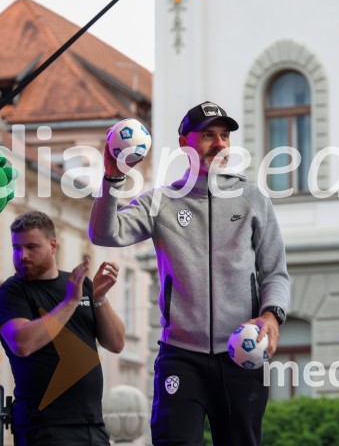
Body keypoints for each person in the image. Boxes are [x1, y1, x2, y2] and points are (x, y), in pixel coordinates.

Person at [88, 101, 290, 446]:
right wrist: (112, 178)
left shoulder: (253, 199)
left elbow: (276, 273)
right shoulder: (160, 202)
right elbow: (105, 233)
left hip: (241, 354)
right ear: (185, 143)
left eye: (224, 136)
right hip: (181, 356)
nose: (219, 144)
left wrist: (271, 316)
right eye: (208, 135)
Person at [0, 211, 125, 446]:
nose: (22, 255)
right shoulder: (12, 292)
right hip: (45, 427)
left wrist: (99, 297)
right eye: (16, 248)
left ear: (53, 245)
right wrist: (70, 302)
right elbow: (22, 343)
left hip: (93, 424)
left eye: (31, 247)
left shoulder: (79, 285)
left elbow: (116, 343)